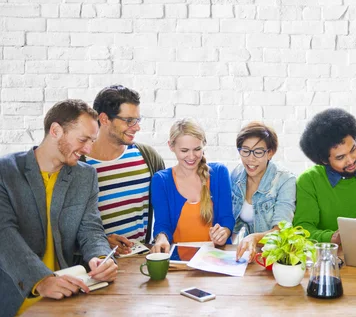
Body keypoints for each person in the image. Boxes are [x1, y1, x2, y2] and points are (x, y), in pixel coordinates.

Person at [0, 99, 118, 316]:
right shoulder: (5, 171)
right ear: (55, 131)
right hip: (16, 298)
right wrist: (41, 280)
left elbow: (90, 228)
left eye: (92, 141)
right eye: (83, 139)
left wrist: (101, 257)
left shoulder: (86, 175)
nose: (89, 150)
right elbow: (4, 233)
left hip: (68, 296)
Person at [82, 85, 165, 255]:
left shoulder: (148, 157)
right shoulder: (80, 164)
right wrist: (102, 242)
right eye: (128, 121)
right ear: (104, 119)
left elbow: (166, 208)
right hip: (99, 265)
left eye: (137, 120)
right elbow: (64, 227)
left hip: (140, 264)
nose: (136, 127)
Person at [293, 108, 356, 244]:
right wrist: (334, 237)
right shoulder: (309, 181)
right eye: (340, 157)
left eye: (353, 149)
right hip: (327, 257)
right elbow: (302, 229)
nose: (351, 160)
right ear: (324, 160)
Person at [150, 119, 234, 253]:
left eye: (197, 149)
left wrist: (225, 231)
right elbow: (162, 224)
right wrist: (161, 238)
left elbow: (227, 218)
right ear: (171, 146)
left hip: (216, 258)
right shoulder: (161, 180)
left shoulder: (219, 173)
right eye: (184, 150)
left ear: (204, 145)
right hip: (178, 261)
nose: (191, 156)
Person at [231, 122, 296, 261]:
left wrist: (255, 237)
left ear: (270, 153)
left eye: (258, 152)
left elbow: (282, 231)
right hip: (249, 257)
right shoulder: (236, 175)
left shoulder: (285, 180)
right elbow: (231, 224)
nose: (250, 158)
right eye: (245, 150)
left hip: (275, 257)